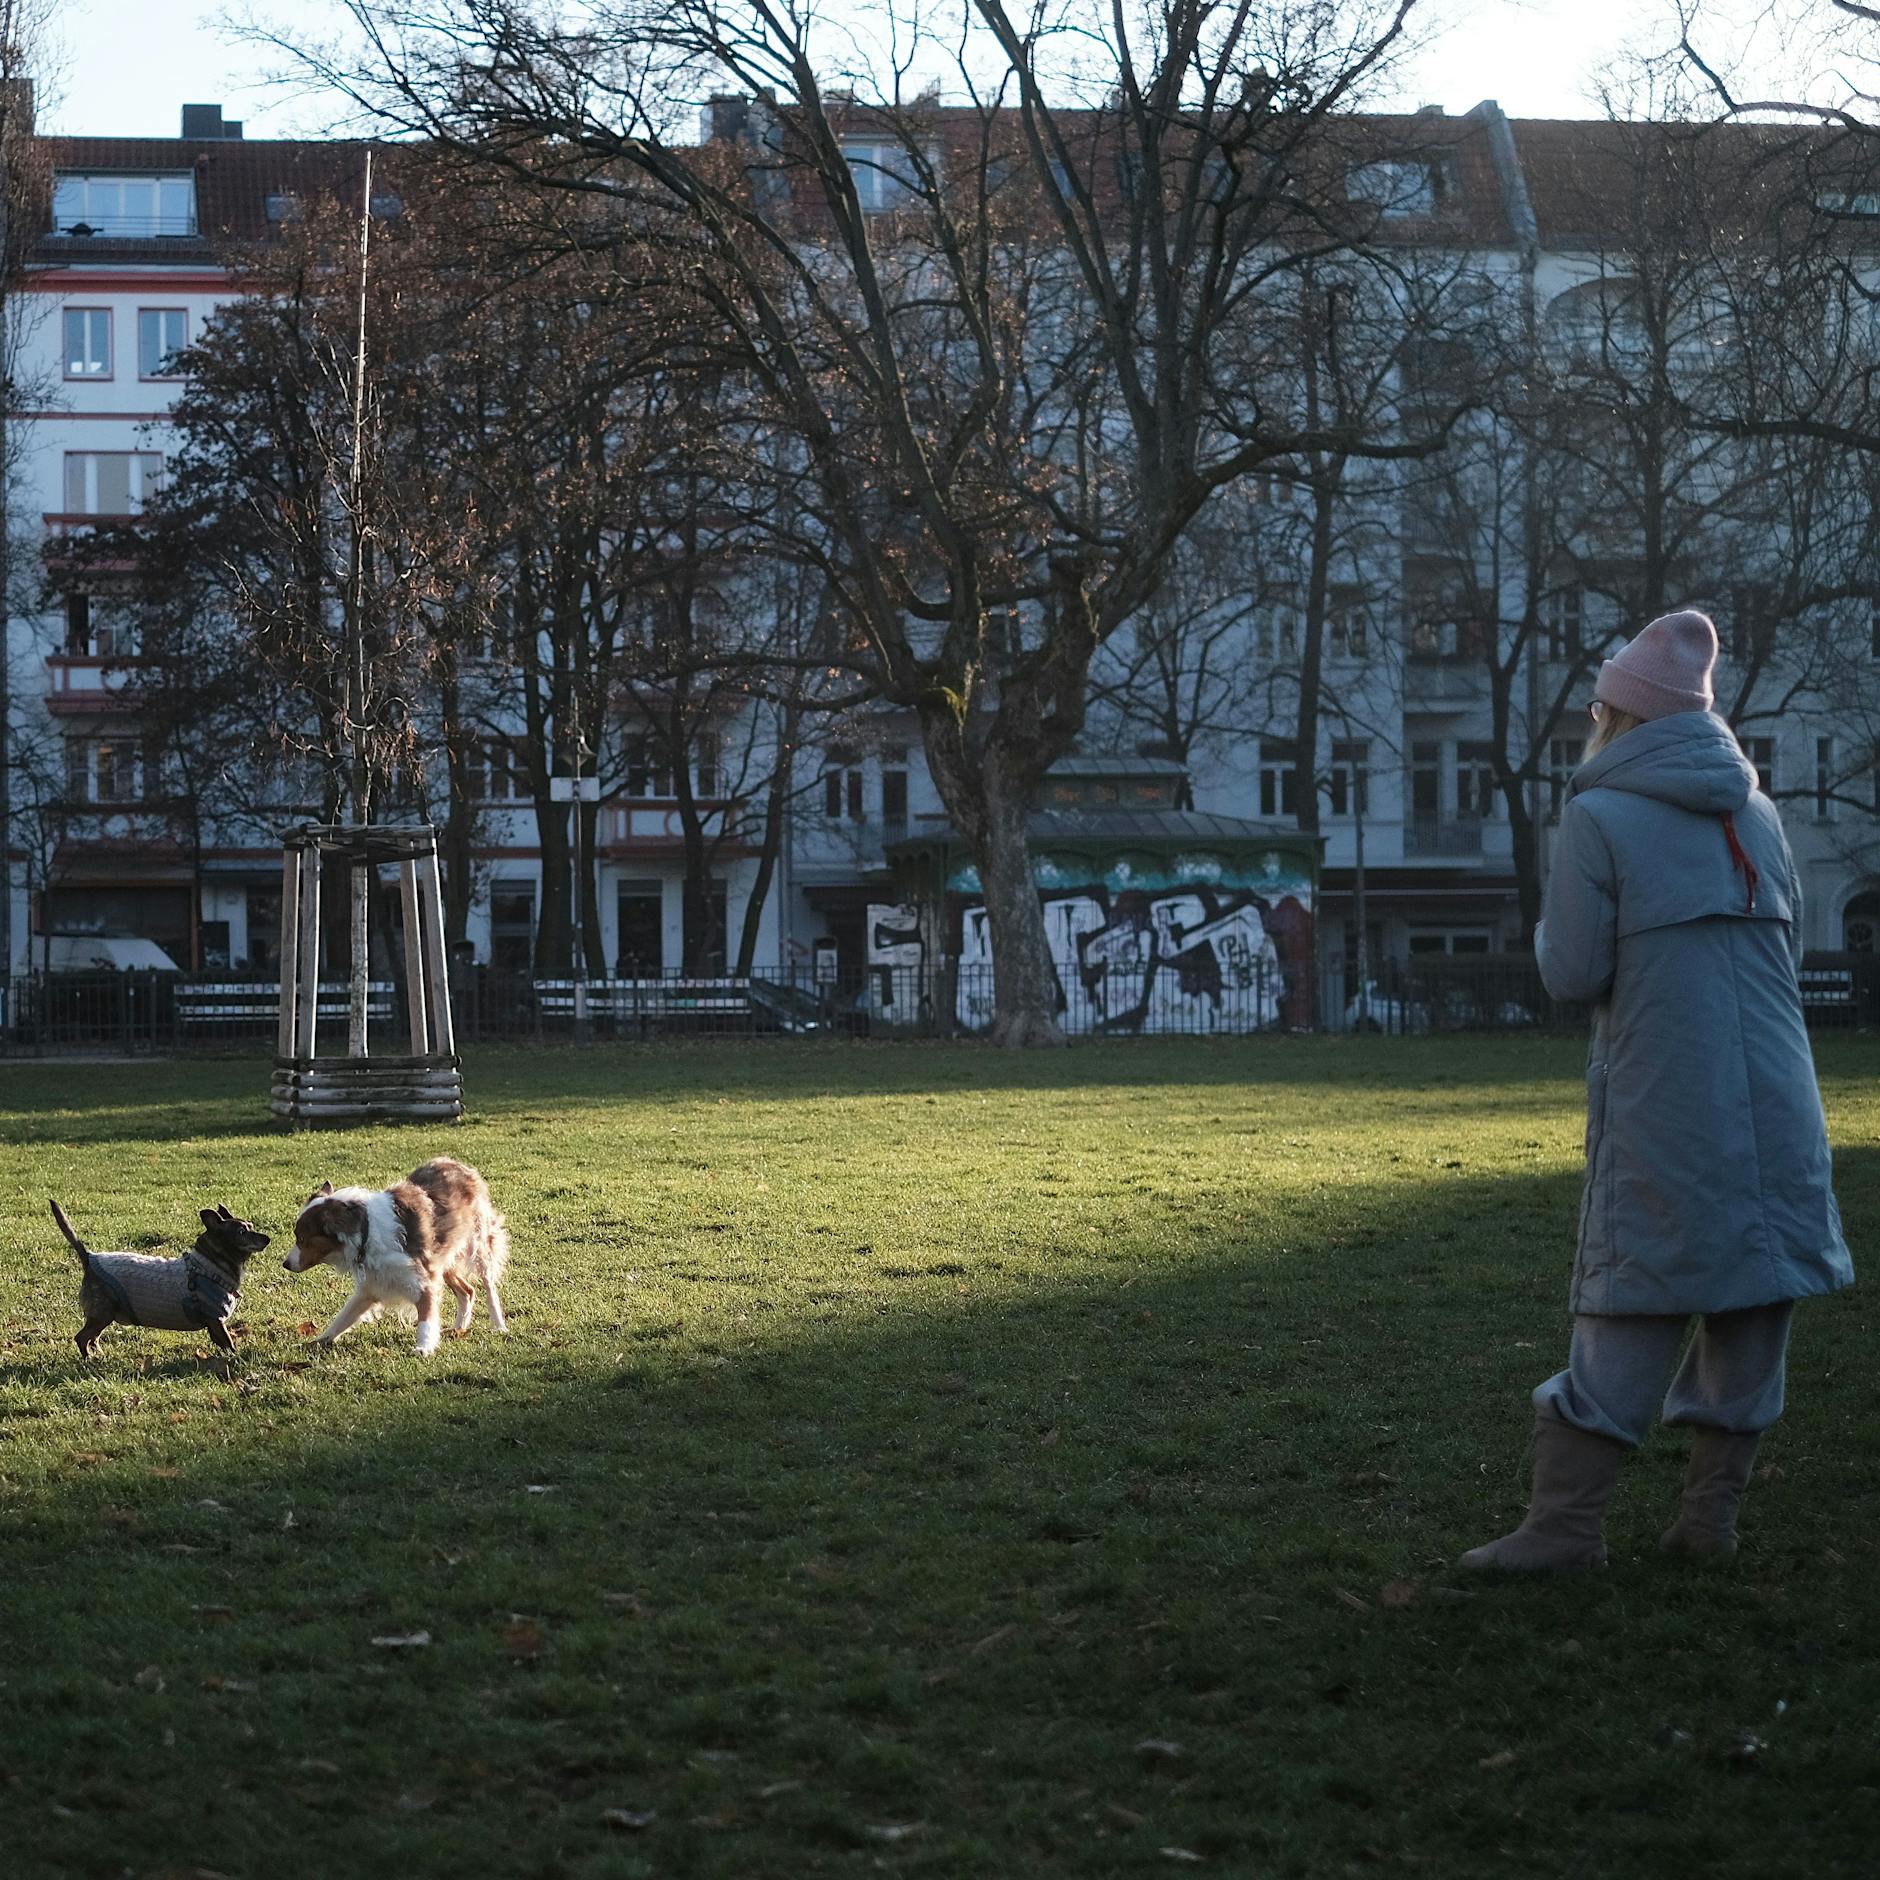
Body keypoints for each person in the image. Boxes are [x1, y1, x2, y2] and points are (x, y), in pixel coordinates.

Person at [1459, 610, 1853, 1572]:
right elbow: (1789, 954)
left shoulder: (1597, 815)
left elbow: (1572, 972)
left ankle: (1564, 1530)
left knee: (1635, 1286)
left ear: (1617, 718)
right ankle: (1708, 1522)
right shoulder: (1759, 815)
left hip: (1668, 1090)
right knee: (1755, 1288)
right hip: (1780, 1096)